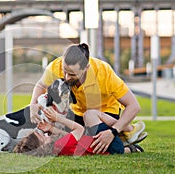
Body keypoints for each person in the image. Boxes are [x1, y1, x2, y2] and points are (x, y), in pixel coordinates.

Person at [29, 43, 146, 154]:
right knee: (66, 141)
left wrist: (112, 132)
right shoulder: (56, 66)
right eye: (65, 72)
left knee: (95, 138)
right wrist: (33, 105)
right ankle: (123, 135)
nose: (67, 77)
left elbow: (134, 106)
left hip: (104, 114)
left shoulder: (104, 72)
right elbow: (40, 85)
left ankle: (124, 134)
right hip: (77, 113)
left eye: (73, 74)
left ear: (86, 67)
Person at [13, 107, 144, 156]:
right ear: (42, 145)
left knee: (90, 124)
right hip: (107, 143)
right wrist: (58, 118)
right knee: (90, 114)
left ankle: (131, 148)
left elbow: (71, 138)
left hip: (110, 149)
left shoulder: (57, 150)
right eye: (41, 135)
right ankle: (130, 130)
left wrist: (51, 129)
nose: (44, 133)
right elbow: (79, 130)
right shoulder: (59, 145)